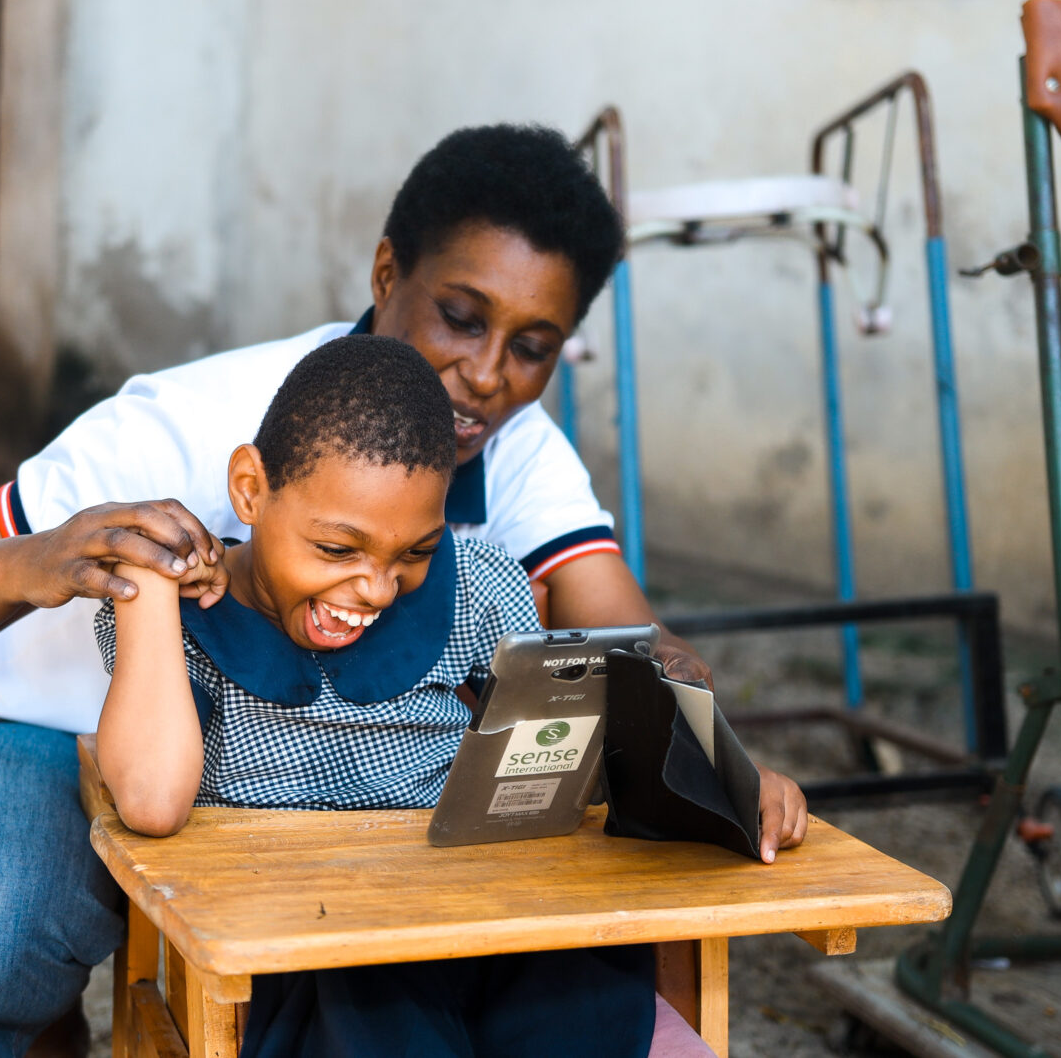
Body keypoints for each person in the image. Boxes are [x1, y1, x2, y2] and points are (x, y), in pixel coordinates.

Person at [0, 123, 806, 1056]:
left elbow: (624, 636)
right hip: (39, 727)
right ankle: (39, 1020)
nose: (484, 374)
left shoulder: (511, 449)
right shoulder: (183, 423)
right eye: (463, 316)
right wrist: (33, 562)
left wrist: (711, 756)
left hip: (274, 797)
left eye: (532, 344)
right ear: (388, 274)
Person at [94, 334, 690, 1057]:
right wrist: (148, 584)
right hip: (320, 945)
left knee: (588, 985)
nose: (377, 587)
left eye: (415, 551)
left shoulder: (475, 585)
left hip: (474, 913)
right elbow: (153, 803)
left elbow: (557, 761)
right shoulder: (181, 622)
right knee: (373, 1002)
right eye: (338, 550)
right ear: (250, 489)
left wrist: (711, 777)